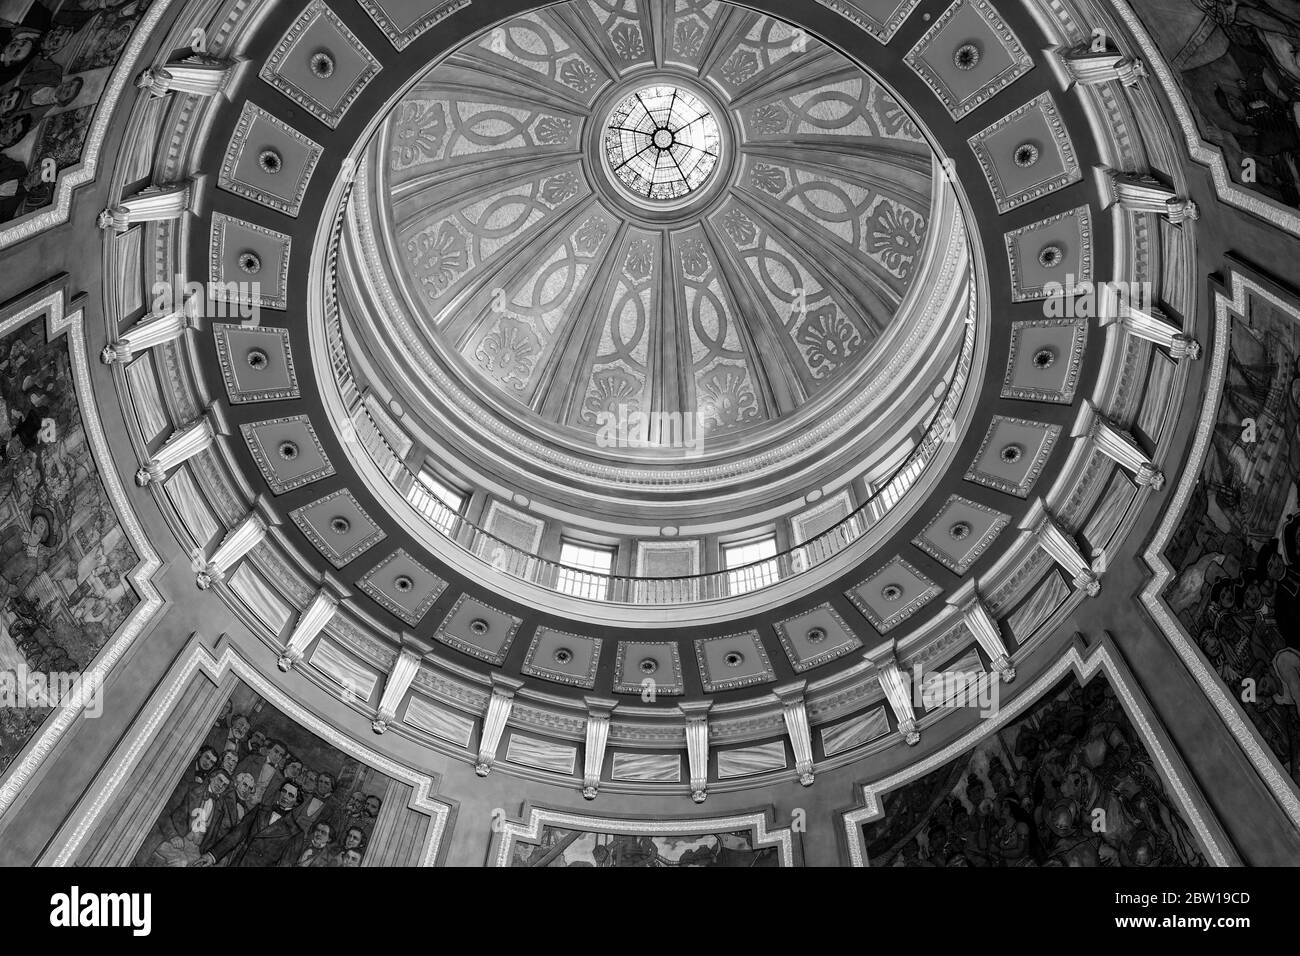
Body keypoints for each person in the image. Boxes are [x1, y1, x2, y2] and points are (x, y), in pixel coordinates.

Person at [193, 780, 305, 867]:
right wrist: (212, 856)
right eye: (284, 791)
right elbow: (237, 834)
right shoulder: (260, 809)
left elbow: (286, 864)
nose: (285, 796)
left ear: (296, 802)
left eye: (291, 795)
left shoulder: (295, 832)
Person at [148, 769, 234, 867]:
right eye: (220, 780)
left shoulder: (220, 807)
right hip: (174, 839)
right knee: (181, 862)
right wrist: (173, 835)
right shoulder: (191, 788)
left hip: (195, 849)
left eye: (224, 785)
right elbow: (163, 811)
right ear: (211, 778)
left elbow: (214, 837)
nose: (220, 786)